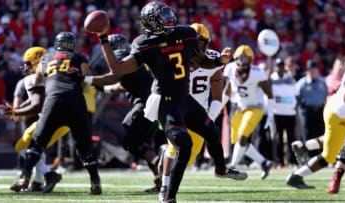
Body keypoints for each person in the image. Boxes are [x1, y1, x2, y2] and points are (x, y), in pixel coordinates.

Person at [84, 2, 247, 202]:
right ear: (152, 23)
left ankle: (221, 169)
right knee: (184, 146)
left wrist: (219, 61)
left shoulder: (185, 33)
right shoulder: (145, 43)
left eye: (169, 14)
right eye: (164, 16)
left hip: (184, 97)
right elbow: (118, 69)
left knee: (210, 131)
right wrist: (103, 38)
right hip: (165, 101)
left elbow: (201, 59)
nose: (170, 18)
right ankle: (168, 196)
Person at [7, 32, 102, 195]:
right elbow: (87, 81)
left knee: (37, 143)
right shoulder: (79, 58)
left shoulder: (46, 58)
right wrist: (77, 76)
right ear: (72, 44)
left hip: (54, 101)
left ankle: (24, 177)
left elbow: (37, 80)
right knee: (84, 147)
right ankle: (95, 183)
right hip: (75, 102)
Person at [86, 33, 165, 192]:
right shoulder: (134, 60)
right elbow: (119, 86)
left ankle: (160, 163)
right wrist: (99, 86)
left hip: (145, 103)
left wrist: (87, 79)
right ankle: (160, 181)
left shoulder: (121, 56)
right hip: (153, 104)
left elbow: (113, 78)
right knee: (143, 145)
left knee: (130, 139)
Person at [158, 23, 224, 201]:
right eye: (197, 42)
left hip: (198, 111)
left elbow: (218, 95)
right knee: (175, 149)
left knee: (189, 158)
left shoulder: (212, 58)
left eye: (202, 43)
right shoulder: (175, 55)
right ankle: (164, 185)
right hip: (176, 105)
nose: (199, 47)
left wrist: (210, 117)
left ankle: (167, 176)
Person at [0, 47, 65, 193]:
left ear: (37, 63)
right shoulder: (55, 75)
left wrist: (14, 111)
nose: (24, 66)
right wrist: (16, 109)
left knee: (23, 148)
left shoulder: (32, 79)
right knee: (35, 149)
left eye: (28, 63)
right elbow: (33, 102)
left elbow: (36, 105)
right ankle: (37, 181)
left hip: (50, 120)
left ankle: (48, 174)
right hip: (64, 119)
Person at [286, 68, 345, 189]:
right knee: (329, 156)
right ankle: (296, 176)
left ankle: (305, 146)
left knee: (338, 140)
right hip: (340, 114)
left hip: (336, 110)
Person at [222, 45, 274, 179]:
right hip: (239, 107)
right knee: (238, 141)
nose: (242, 63)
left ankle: (232, 167)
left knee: (242, 136)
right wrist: (217, 108)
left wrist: (271, 115)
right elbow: (227, 91)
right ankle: (264, 162)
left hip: (255, 107)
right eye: (240, 59)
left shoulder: (257, 72)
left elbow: (269, 94)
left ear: (251, 61)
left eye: (245, 59)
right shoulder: (230, 68)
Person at [296, 60, 327, 158]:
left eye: (314, 69)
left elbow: (325, 95)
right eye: (311, 70)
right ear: (307, 71)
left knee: (321, 133)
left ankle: (321, 156)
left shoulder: (322, 82)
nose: (313, 71)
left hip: (320, 110)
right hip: (307, 111)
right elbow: (296, 96)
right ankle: (308, 156)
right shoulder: (302, 83)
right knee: (308, 133)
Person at [270, 58, 298, 167]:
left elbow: (294, 97)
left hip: (290, 113)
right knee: (278, 139)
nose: (280, 68)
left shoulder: (290, 79)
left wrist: (282, 100)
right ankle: (279, 162)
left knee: (292, 138)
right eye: (278, 66)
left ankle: (293, 161)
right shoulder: (271, 79)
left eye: (281, 66)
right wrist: (284, 100)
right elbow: (271, 97)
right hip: (277, 113)